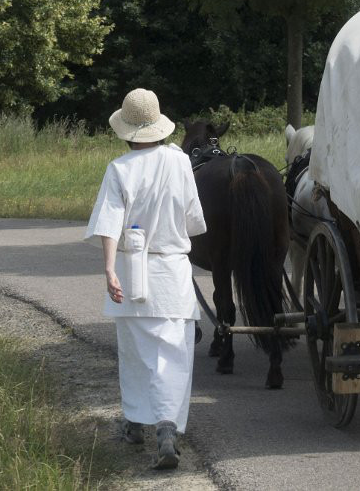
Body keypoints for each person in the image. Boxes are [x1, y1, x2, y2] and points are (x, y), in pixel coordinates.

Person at [84, 88, 206, 470]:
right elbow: (194, 220)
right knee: (172, 355)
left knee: (136, 354)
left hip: (131, 272)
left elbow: (109, 223)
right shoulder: (180, 162)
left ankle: (134, 424)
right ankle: (167, 428)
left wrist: (109, 270)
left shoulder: (119, 169)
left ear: (126, 131)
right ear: (159, 126)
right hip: (172, 274)